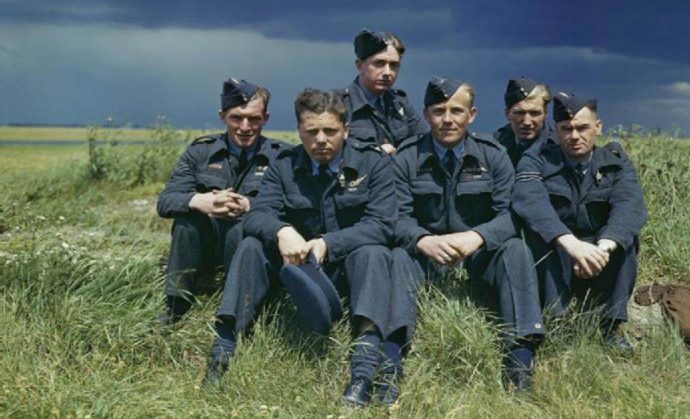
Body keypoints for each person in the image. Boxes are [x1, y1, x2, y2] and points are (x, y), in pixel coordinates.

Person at [203, 89, 399, 409]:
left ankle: (362, 373)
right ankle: (222, 353)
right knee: (252, 244)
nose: (321, 139)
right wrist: (282, 231)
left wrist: (328, 243)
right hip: (295, 271)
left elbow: (383, 225)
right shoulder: (284, 165)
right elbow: (258, 215)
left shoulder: (373, 163)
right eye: (311, 132)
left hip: (347, 268)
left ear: (345, 130)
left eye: (330, 131)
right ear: (300, 131)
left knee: (375, 252)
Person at [391, 77, 544, 397]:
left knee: (515, 250)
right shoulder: (406, 157)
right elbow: (395, 217)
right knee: (397, 257)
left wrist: (477, 237)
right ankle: (392, 361)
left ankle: (519, 362)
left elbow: (510, 215)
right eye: (438, 111)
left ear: (471, 115)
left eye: (456, 111)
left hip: (478, 254)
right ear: (426, 114)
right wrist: (422, 240)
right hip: (426, 254)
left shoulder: (493, 155)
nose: (447, 119)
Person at [511, 92, 647, 355]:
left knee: (626, 242)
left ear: (598, 127)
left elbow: (630, 207)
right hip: (558, 253)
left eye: (583, 128)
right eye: (566, 129)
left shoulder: (616, 163)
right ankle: (557, 322)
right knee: (539, 236)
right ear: (556, 129)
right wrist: (571, 245)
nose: (574, 136)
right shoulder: (536, 160)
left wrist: (602, 250)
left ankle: (609, 326)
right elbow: (531, 204)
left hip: (598, 255)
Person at [156, 78, 286, 324]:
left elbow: (293, 207)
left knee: (244, 225)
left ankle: (243, 305)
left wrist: (248, 205)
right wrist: (200, 201)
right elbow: (165, 202)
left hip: (250, 250)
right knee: (186, 220)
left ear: (266, 119)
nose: (245, 127)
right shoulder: (200, 152)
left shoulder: (282, 156)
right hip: (206, 245)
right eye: (236, 118)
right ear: (222, 116)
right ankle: (176, 303)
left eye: (254, 119)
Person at [339, 29, 428, 155]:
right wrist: (374, 154)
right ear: (359, 65)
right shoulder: (338, 105)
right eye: (379, 63)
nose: (387, 72)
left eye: (393, 65)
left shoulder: (400, 104)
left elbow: (427, 142)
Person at [493, 77, 556, 167]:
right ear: (507, 114)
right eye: (519, 113)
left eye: (534, 113)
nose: (527, 122)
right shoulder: (493, 146)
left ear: (545, 114)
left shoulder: (560, 149)